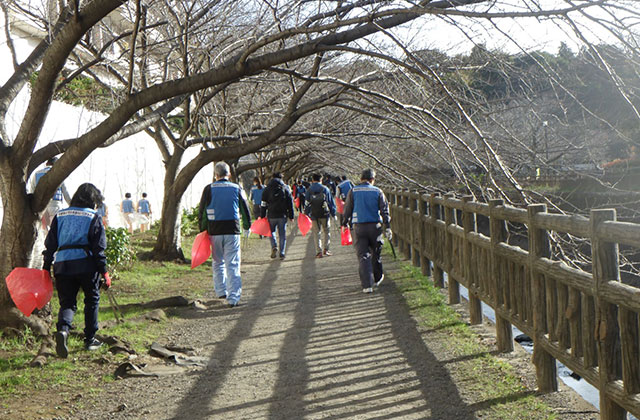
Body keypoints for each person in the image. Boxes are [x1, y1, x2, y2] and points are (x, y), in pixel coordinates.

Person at [42, 183, 111, 357]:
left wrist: (45, 267)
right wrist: (105, 272)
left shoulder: (61, 215)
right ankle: (90, 339)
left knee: (67, 303)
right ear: (93, 201)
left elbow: (50, 244)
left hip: (62, 264)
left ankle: (63, 330)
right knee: (92, 299)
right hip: (86, 263)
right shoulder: (93, 216)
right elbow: (98, 248)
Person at [198, 162, 251, 307]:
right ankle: (233, 297)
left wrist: (202, 230)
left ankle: (221, 291)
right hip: (232, 229)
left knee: (217, 261)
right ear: (228, 174)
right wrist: (247, 226)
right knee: (233, 263)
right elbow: (245, 209)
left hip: (214, 230)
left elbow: (202, 211)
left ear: (215, 175)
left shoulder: (208, 189)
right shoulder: (236, 188)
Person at [342, 169, 391, 293]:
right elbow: (384, 209)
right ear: (372, 179)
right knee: (376, 253)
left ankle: (367, 285)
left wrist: (344, 223)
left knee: (363, 256)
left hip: (359, 227)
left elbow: (347, 208)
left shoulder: (353, 191)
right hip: (375, 226)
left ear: (361, 179)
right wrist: (388, 226)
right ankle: (377, 278)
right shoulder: (378, 191)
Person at [30, 157, 72, 232]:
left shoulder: (36, 174)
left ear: (47, 163)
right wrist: (73, 205)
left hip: (41, 208)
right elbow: (66, 194)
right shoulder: (59, 174)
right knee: (55, 232)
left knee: (43, 233)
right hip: (55, 206)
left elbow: (32, 192)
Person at [260, 172, 295, 260]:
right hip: (282, 215)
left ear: (272, 178)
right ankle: (282, 252)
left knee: (271, 232)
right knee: (282, 234)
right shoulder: (285, 188)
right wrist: (291, 216)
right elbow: (290, 203)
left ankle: (274, 245)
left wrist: (262, 215)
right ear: (281, 178)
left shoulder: (267, 189)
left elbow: (263, 203)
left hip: (271, 214)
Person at [305, 173, 336, 258]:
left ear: (312, 180)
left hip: (314, 215)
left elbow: (306, 203)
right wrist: (333, 213)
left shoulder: (309, 190)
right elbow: (330, 202)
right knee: (327, 231)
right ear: (321, 179)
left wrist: (306, 214)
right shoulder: (325, 189)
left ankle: (319, 252)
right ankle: (326, 249)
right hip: (324, 214)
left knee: (316, 233)